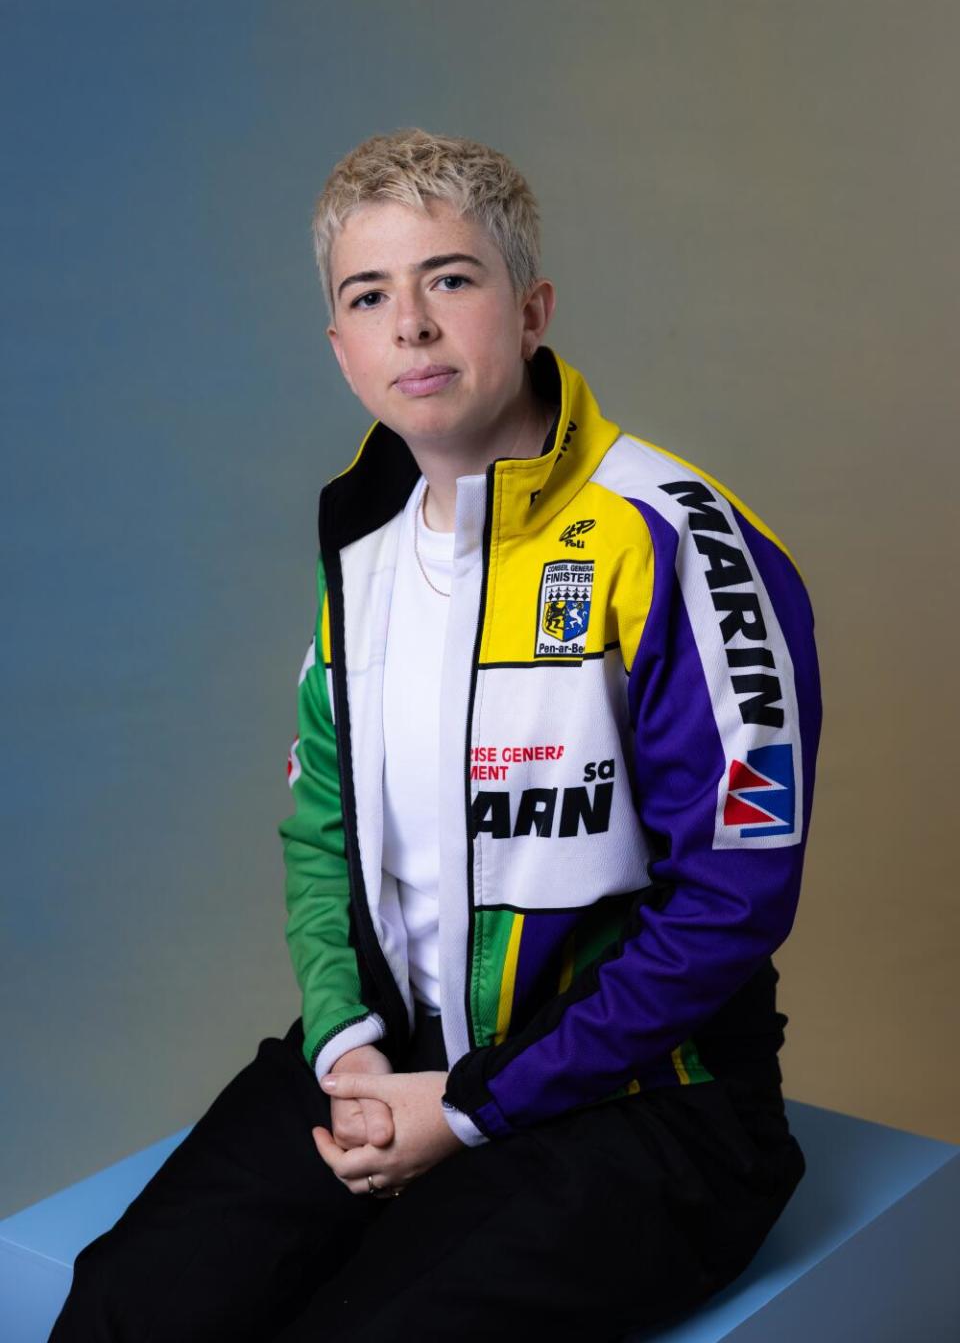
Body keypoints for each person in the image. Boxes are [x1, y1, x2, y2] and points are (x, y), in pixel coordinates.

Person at [51, 127, 822, 1342]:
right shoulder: (357, 554)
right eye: (370, 295)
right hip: (393, 1060)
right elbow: (319, 835)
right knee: (121, 1309)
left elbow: (731, 899)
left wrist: (468, 1112)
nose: (411, 323)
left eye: (450, 278)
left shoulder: (677, 542)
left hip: (648, 1105)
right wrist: (352, 1049)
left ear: (532, 309)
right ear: (341, 348)